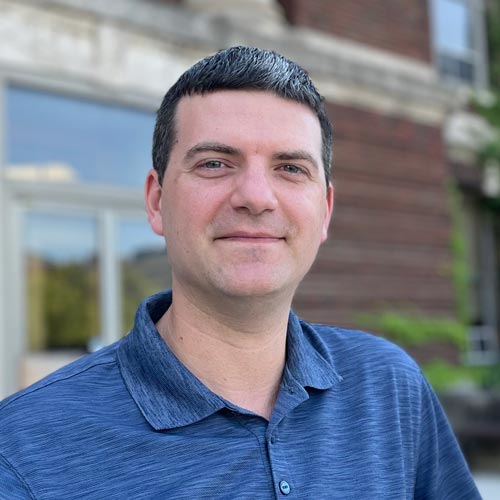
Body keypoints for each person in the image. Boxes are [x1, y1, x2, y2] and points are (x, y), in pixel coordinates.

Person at [0, 46, 481, 499]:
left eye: (290, 168)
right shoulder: (23, 448)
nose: (256, 196)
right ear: (157, 202)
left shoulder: (388, 387)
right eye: (214, 163)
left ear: (325, 210)